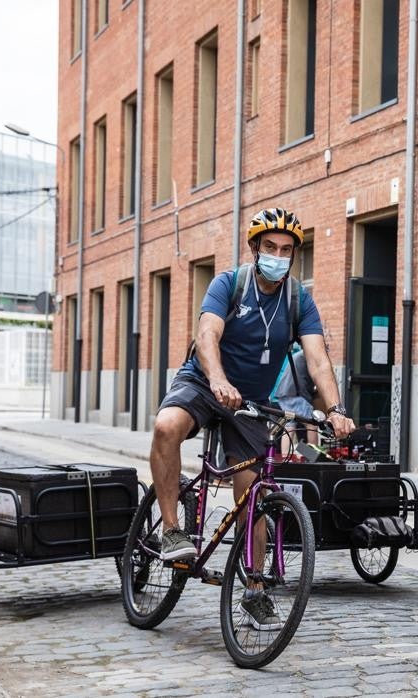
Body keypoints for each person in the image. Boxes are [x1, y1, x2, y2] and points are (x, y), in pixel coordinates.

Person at [148, 207, 355, 630]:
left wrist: (335, 409)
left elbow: (317, 359)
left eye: (286, 250)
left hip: (252, 402)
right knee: (166, 427)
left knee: (254, 495)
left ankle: (255, 589)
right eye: (270, 247)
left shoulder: (298, 300)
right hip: (206, 382)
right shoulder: (229, 284)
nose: (277, 255)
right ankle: (171, 529)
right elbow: (208, 335)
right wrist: (218, 379)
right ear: (255, 248)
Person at [272, 342, 320, 450]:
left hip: (283, 394)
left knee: (290, 426)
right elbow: (315, 377)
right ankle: (313, 456)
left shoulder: (297, 355)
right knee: (312, 425)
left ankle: (285, 456)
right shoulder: (309, 355)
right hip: (297, 395)